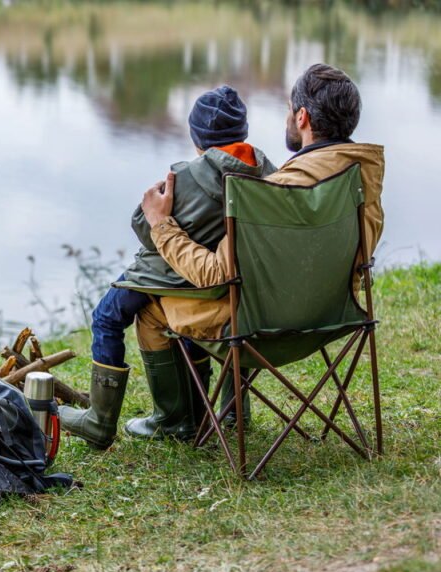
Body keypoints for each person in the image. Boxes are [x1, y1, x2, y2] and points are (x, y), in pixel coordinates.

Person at [134, 63, 385, 425]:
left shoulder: (278, 192)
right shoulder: (363, 180)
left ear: (301, 117)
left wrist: (161, 225)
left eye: (287, 109)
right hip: (335, 317)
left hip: (259, 330)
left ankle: (173, 421)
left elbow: (214, 274)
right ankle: (232, 411)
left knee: (152, 309)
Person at [60, 86, 277, 450]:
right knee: (162, 309)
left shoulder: (187, 177)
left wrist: (156, 211)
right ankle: (216, 411)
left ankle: (104, 420)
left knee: (107, 316)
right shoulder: (267, 173)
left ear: (196, 137)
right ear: (243, 132)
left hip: (190, 274)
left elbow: (144, 227)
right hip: (240, 285)